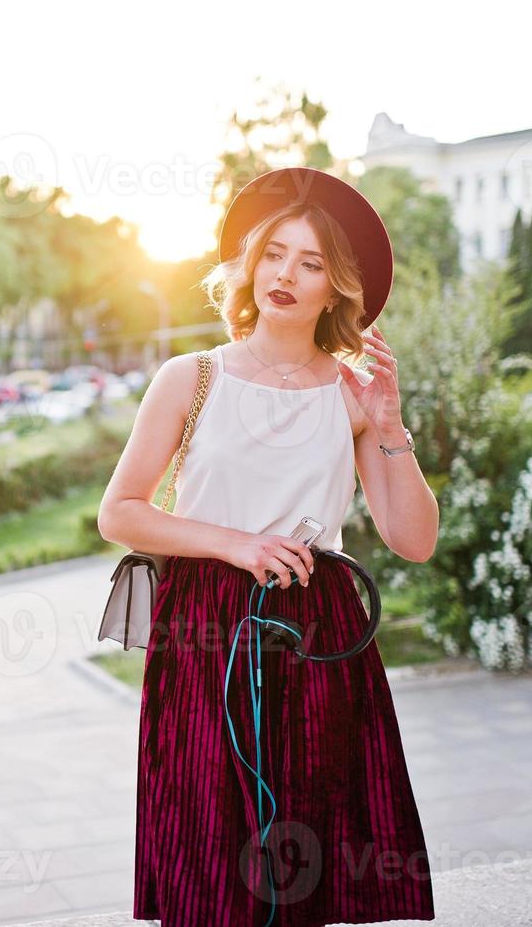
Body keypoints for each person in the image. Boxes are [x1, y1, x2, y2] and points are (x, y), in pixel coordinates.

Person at [97, 167, 439, 926]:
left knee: (307, 846)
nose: (286, 273)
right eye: (274, 253)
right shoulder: (190, 378)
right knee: (209, 844)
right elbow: (118, 512)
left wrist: (389, 429)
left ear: (335, 288)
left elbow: (412, 541)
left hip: (318, 629)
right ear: (248, 265)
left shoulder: (352, 396)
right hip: (206, 625)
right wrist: (234, 544)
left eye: (311, 262)